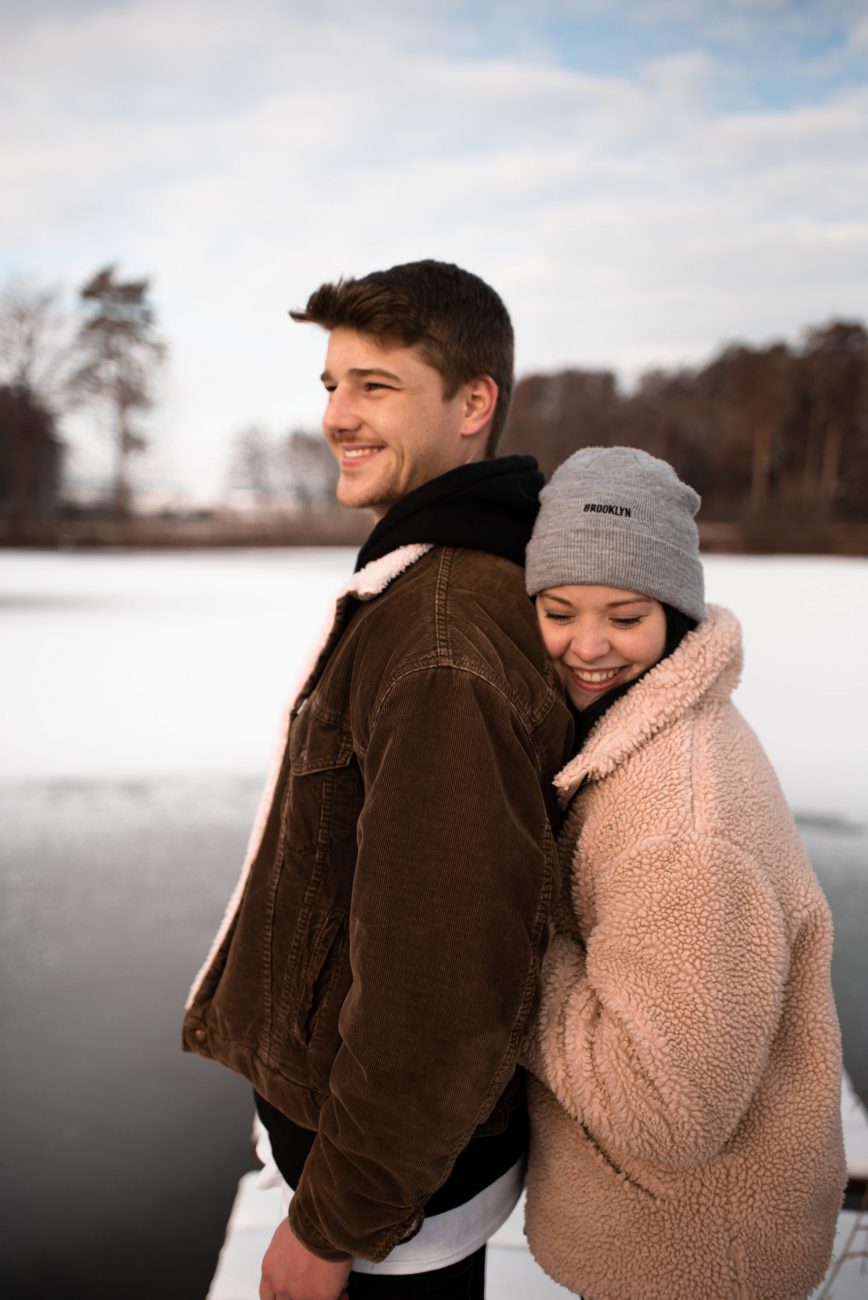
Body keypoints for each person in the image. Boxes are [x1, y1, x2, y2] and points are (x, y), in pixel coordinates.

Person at [182, 260, 573, 1299]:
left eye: (377, 386)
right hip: (391, 1171)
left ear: (473, 403)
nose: (338, 417)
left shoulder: (443, 629)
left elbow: (443, 977)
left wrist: (334, 1223)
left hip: (385, 1208)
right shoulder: (436, 580)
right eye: (330, 385)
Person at [521, 445, 846, 1300]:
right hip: (677, 1239)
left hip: (696, 1261)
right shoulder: (635, 731)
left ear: (674, 614)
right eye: (558, 610)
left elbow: (666, 1110)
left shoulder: (684, 827)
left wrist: (511, 950)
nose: (586, 647)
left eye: (625, 616)